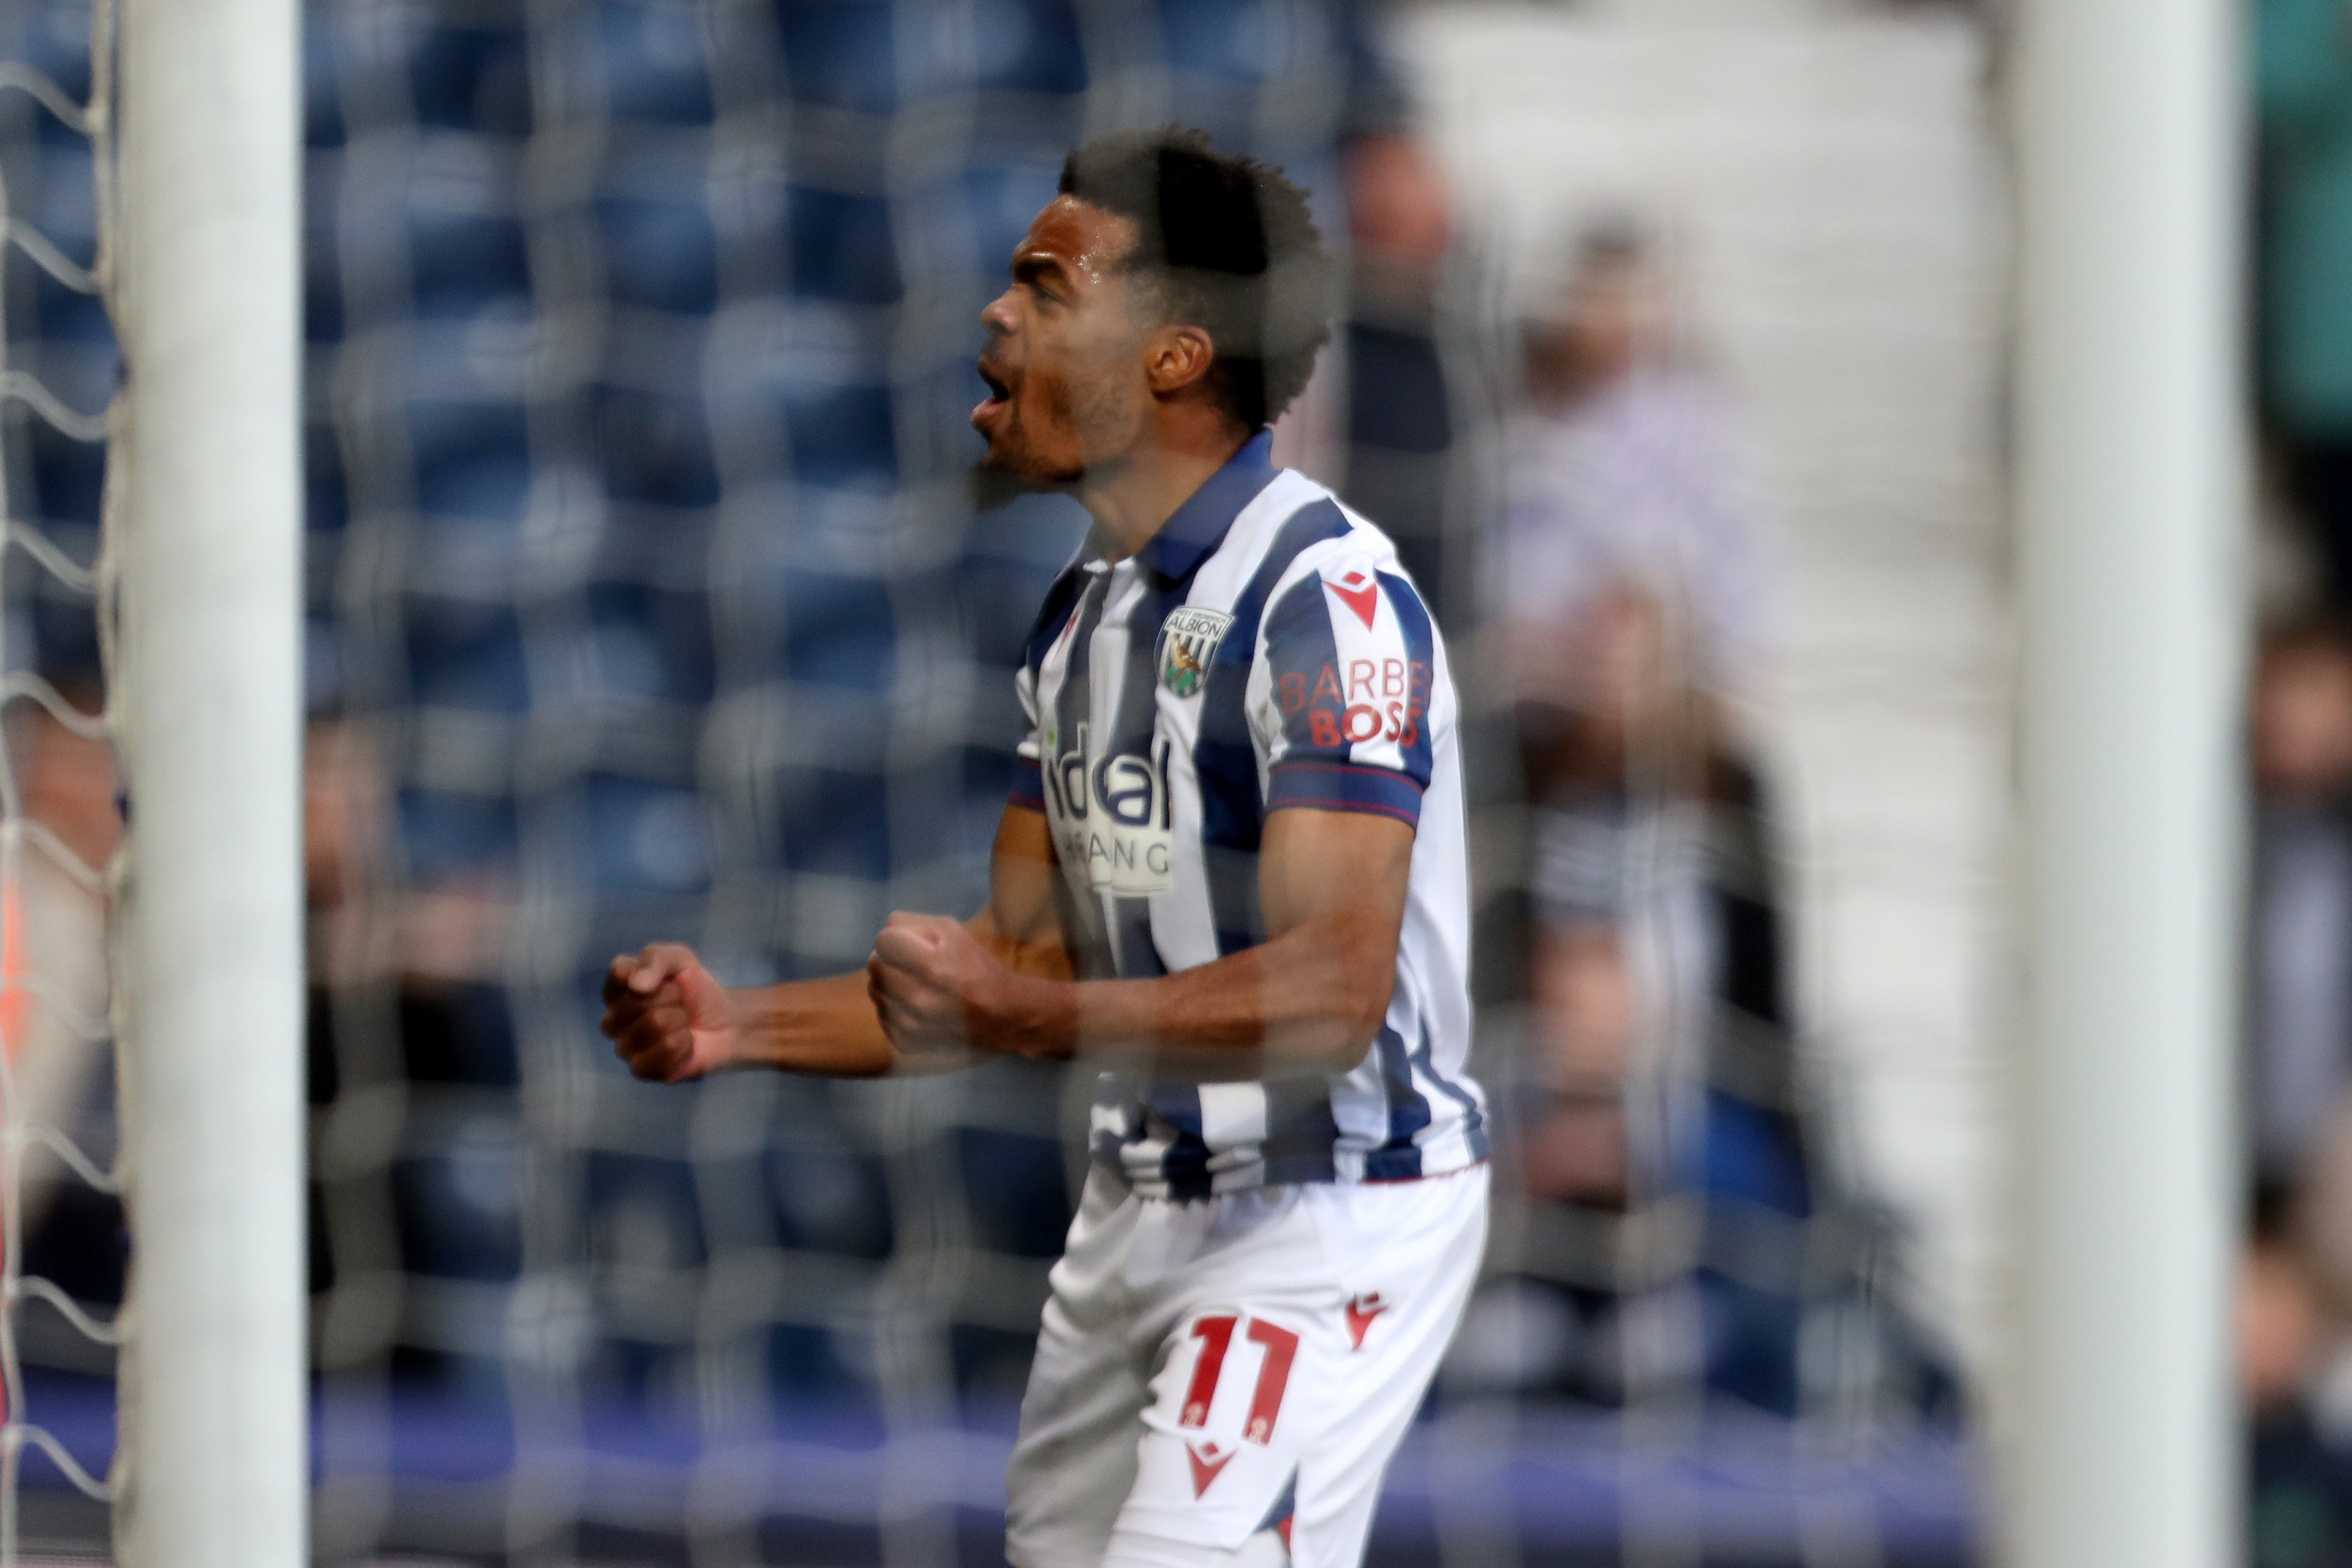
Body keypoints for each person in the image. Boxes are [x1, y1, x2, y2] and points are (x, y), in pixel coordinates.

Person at [597, 129, 1488, 1568]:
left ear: (1176, 356)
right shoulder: (1083, 618)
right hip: (1137, 1205)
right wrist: (734, 1026)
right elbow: (1015, 960)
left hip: (1329, 1214)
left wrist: (1036, 1012)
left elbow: (1332, 994)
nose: (996, 318)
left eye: (1046, 287)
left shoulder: (1331, 604)